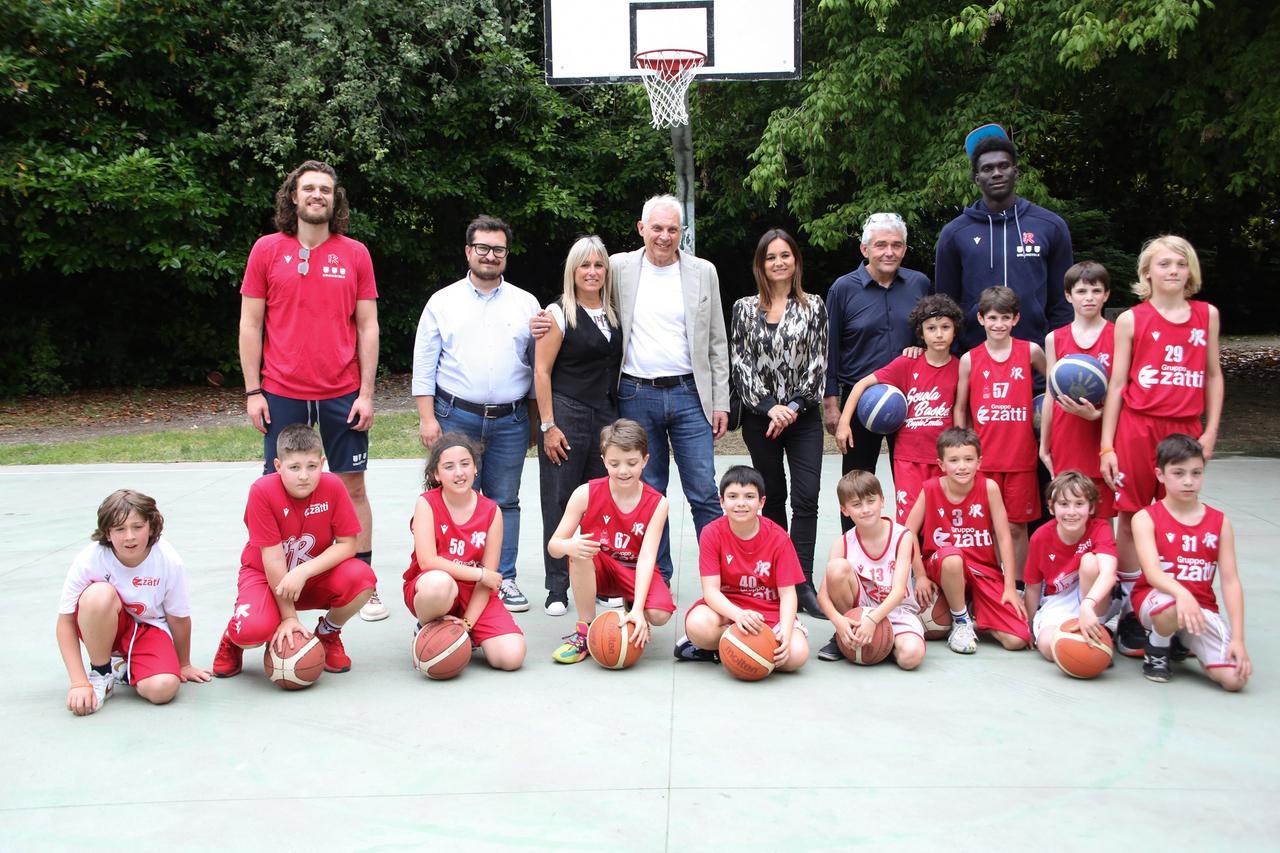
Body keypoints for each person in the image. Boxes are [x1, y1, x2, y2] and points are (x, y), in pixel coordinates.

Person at [238, 160, 386, 622]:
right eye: (309, 188)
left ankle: (363, 580)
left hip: (342, 390)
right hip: (281, 390)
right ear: (293, 196)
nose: (317, 195)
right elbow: (250, 324)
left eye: (325, 189)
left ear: (334, 199)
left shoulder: (355, 253)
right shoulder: (266, 250)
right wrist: (253, 391)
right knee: (278, 486)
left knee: (352, 484)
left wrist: (366, 393)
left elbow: (368, 326)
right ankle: (278, 584)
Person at [1099, 236, 1223, 657]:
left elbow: (1213, 375)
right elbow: (1117, 383)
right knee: (1131, 514)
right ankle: (1131, 609)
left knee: (1175, 514)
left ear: (1191, 271)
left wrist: (1210, 431)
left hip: (1183, 427)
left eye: (1181, 264)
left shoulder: (1206, 315)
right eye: (1164, 263)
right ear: (1147, 272)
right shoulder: (1132, 319)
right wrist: (1107, 445)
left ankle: (1171, 604)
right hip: (1138, 425)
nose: (1173, 270)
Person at [412, 215, 541, 612]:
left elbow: (537, 366)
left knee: (505, 501)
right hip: (456, 416)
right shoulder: (443, 302)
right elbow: (424, 364)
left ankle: (504, 578)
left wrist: (535, 420)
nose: (490, 255)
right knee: (453, 497)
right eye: (482, 248)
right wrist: (427, 418)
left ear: (507, 254)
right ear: (469, 251)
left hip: (511, 419)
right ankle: (449, 576)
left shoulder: (526, 303)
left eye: (498, 249)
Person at [610, 194, 730, 583]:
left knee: (703, 491)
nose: (664, 236)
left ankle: (718, 579)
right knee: (649, 491)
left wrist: (721, 401)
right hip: (635, 393)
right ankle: (656, 578)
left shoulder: (703, 271)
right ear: (641, 228)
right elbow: (585, 302)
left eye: (673, 229)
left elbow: (717, 341)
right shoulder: (617, 268)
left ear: (682, 232)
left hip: (690, 394)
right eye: (657, 228)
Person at [212, 424, 377, 678]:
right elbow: (273, 559)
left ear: (322, 463)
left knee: (362, 578)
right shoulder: (262, 491)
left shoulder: (333, 486)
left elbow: (348, 544)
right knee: (251, 632)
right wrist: (289, 617)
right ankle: (232, 639)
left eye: (311, 466)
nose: (304, 476)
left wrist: (303, 571)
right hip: (266, 577)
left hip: (310, 576)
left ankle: (328, 633)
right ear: (278, 466)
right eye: (294, 467)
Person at [730, 228, 828, 617]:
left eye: (785, 255)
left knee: (806, 497)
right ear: (761, 264)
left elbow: (818, 363)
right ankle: (777, 580)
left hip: (803, 418)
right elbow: (741, 365)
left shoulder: (814, 306)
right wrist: (771, 407)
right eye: (771, 257)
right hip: (761, 420)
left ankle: (802, 583)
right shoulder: (743, 308)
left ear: (796, 261)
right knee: (772, 498)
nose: (779, 262)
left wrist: (792, 407)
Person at [56, 490, 210, 715]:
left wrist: (183, 664)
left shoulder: (168, 560)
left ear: (151, 527)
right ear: (107, 533)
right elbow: (66, 622)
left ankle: (123, 668)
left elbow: (178, 618)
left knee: (163, 689)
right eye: (120, 529)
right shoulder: (90, 559)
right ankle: (101, 673)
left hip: (149, 630)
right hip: (107, 628)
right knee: (99, 594)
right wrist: (79, 683)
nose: (129, 536)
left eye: (137, 527)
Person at [535, 236, 624, 616]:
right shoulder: (557, 314)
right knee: (559, 499)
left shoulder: (614, 313)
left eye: (598, 265)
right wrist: (548, 426)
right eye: (584, 265)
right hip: (566, 415)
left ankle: (599, 580)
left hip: (605, 417)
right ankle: (557, 587)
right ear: (573, 271)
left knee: (599, 502)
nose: (592, 272)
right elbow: (541, 371)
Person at [824, 212, 930, 524]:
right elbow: (829, 349)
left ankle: (917, 549)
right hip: (860, 402)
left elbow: (935, 331)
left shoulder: (919, 284)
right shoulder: (843, 289)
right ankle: (853, 549)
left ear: (904, 249)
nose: (889, 252)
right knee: (856, 485)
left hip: (911, 401)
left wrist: (922, 347)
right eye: (881, 245)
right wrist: (831, 404)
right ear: (864, 249)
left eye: (896, 245)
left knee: (915, 484)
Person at [934, 125, 1074, 352]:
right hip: (974, 358)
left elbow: (1062, 302)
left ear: (1015, 172)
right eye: (987, 168)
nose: (997, 173)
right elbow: (945, 305)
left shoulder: (1050, 226)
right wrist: (957, 356)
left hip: (1036, 355)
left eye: (1003, 166)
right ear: (977, 178)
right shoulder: (954, 233)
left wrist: (1060, 352)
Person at [546, 419, 674, 664]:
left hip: (634, 569)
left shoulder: (658, 503)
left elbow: (648, 557)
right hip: (599, 568)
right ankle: (585, 630)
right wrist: (568, 545)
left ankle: (632, 607)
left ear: (645, 460)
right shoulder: (585, 493)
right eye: (615, 464)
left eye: (632, 463)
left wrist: (639, 609)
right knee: (581, 552)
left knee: (659, 614)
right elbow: (554, 546)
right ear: (604, 460)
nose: (623, 471)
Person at [1130, 435, 1249, 689]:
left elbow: (1230, 582)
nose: (1188, 481)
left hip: (1199, 607)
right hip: (1158, 600)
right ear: (1160, 475)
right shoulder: (1145, 518)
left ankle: (1182, 639)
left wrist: (1238, 639)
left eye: (1196, 473)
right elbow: (1152, 572)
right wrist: (1182, 594)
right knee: (1170, 609)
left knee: (1235, 679)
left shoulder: (1220, 522)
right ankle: (1158, 648)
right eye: (1178, 473)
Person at [402, 434, 526, 671]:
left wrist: (467, 624)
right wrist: (480, 574)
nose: (459, 473)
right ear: (436, 474)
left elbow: (488, 582)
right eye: (449, 467)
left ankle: (464, 633)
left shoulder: (492, 511)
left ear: (475, 468)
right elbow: (428, 561)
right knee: (439, 583)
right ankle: (427, 627)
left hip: (475, 593)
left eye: (465, 464)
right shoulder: (426, 503)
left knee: (511, 657)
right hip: (434, 589)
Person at [836, 294, 963, 524]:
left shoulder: (961, 368)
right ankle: (907, 551)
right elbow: (861, 384)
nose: (939, 334)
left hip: (943, 458)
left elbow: (962, 411)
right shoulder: (907, 364)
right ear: (920, 333)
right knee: (910, 520)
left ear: (955, 330)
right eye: (931, 328)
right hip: (908, 459)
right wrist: (844, 423)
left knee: (941, 519)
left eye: (945, 327)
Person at [904, 427, 1030, 654]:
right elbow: (908, 532)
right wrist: (920, 575)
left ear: (979, 462)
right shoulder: (930, 488)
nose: (962, 466)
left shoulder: (989, 488)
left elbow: (1004, 536)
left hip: (982, 570)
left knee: (1017, 640)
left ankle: (973, 611)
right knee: (953, 557)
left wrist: (1010, 586)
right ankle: (961, 622)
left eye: (968, 459)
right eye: (954, 460)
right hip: (942, 566)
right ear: (941, 464)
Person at [680, 466, 810, 671]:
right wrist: (739, 615)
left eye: (749, 496)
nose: (741, 503)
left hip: (769, 610)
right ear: (722, 501)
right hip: (730, 608)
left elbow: (788, 594)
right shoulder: (711, 533)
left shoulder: (779, 537)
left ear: (761, 502)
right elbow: (711, 590)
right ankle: (737, 645)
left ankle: (736, 648)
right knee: (698, 625)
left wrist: (785, 632)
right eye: (733, 496)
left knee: (796, 655)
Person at [955, 286, 1046, 577]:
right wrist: (962, 450)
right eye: (993, 318)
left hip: (1021, 457)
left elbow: (1057, 384)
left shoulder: (1030, 351)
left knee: (1017, 526)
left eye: (1005, 317)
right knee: (988, 527)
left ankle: (1019, 584)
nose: (999, 324)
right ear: (981, 318)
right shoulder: (970, 359)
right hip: (985, 459)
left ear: (1016, 319)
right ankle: (991, 585)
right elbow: (960, 408)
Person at [815, 471, 926, 670]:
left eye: (871, 501)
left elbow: (899, 591)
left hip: (896, 610)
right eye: (856, 504)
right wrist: (839, 621)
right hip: (859, 611)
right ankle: (849, 632)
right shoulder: (843, 543)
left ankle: (882, 643)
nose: (865, 509)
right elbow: (823, 596)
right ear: (844, 510)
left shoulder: (902, 536)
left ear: (882, 500)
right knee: (836, 568)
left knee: (911, 657)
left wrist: (873, 620)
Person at [1038, 262, 1117, 520]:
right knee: (1069, 514)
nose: (1089, 297)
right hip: (1066, 437)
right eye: (1082, 291)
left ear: (1106, 295)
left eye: (1096, 291)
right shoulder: (1055, 338)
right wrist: (1044, 445)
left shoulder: (1118, 335)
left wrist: (1097, 415)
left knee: (1101, 519)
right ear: (1068, 295)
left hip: (1102, 439)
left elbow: (1123, 393)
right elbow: (1050, 396)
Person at [1023, 472, 1119, 662]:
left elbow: (1108, 573)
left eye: (1079, 504)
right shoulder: (1040, 537)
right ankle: (1087, 648)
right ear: (1051, 507)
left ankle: (1098, 629)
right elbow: (1033, 587)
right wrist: (1029, 625)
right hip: (1058, 600)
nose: (1071, 512)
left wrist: (1088, 605)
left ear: (1091, 507)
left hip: (1095, 598)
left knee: (1090, 562)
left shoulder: (1100, 528)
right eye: (1064, 504)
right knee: (1048, 644)